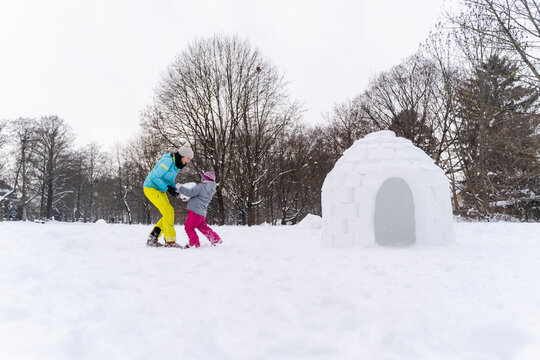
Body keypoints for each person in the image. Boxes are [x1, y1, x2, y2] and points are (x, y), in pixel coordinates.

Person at [143, 144, 193, 247]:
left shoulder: (176, 166)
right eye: (188, 159)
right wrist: (168, 188)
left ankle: (152, 239)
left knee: (167, 214)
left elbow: (169, 181)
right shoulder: (168, 161)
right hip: (151, 187)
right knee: (169, 211)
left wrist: (177, 191)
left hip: (160, 189)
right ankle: (170, 241)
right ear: (182, 156)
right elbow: (155, 177)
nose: (188, 161)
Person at [177, 171, 222, 248]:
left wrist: (180, 187)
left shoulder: (201, 186)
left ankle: (194, 243)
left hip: (195, 212)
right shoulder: (210, 189)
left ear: (204, 179)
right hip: (201, 213)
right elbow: (198, 197)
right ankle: (215, 240)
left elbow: (190, 192)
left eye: (202, 178)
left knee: (189, 228)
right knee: (203, 228)